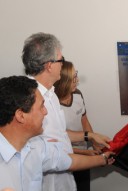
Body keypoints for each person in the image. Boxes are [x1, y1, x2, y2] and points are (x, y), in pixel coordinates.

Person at [21, 32, 111, 191]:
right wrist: (101, 159)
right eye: (60, 60)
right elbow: (52, 157)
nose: (62, 64)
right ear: (49, 65)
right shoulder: (29, 100)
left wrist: (89, 135)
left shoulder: (51, 95)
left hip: (65, 181)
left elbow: (59, 134)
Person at [0, 76, 114, 191]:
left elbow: (68, 161)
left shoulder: (37, 147)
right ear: (20, 115)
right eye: (41, 107)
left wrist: (102, 159)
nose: (45, 112)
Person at [54, 61, 99, 191]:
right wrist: (85, 153)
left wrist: (95, 142)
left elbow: (84, 121)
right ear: (62, 81)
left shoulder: (78, 94)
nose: (77, 80)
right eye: (73, 78)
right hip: (65, 159)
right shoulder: (52, 105)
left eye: (76, 75)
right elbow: (56, 141)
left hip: (84, 157)